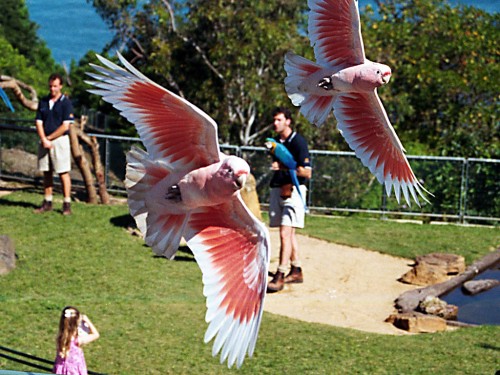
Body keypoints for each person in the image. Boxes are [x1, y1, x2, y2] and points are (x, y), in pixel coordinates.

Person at [267, 107, 312, 293]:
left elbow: (306, 173)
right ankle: (296, 269)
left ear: (288, 121)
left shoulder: (298, 142)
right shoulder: (275, 142)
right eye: (274, 120)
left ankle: (280, 274)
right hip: (278, 190)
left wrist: (283, 166)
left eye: (279, 120)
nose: (275, 123)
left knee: (285, 233)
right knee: (289, 233)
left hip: (293, 191)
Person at [34, 73, 74, 215]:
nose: (52, 89)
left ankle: (67, 203)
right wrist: (44, 139)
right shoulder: (43, 101)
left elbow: (65, 126)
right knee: (47, 172)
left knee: (63, 172)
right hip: (45, 141)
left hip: (59, 141)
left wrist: (49, 138)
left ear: (60, 86)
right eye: (51, 86)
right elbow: (38, 122)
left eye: (55, 86)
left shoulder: (66, 103)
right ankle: (47, 201)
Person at [53, 306, 100, 375]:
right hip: (75, 371)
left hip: (61, 369)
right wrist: (87, 321)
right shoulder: (78, 340)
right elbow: (96, 334)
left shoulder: (60, 337)